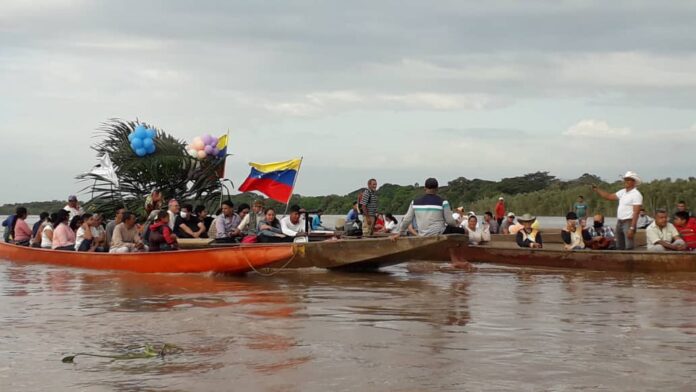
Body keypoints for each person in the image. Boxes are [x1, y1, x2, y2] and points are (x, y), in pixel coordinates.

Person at [393, 178, 467, 238]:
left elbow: (407, 219)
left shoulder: (414, 202)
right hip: (439, 233)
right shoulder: (443, 202)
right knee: (465, 231)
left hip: (423, 234)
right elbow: (450, 222)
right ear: (437, 189)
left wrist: (400, 232)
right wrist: (456, 225)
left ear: (425, 188)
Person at [592, 171, 643, 250]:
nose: (626, 181)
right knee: (619, 245)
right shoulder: (622, 192)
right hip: (620, 221)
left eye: (628, 180)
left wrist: (632, 228)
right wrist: (597, 190)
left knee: (629, 246)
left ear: (634, 182)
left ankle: (629, 261)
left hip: (628, 222)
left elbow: (636, 212)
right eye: (625, 179)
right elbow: (609, 196)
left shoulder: (636, 194)